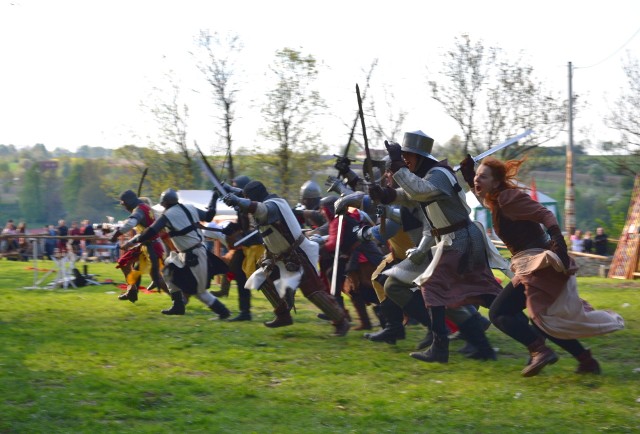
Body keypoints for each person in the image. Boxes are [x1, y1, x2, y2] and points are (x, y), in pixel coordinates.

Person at [461, 155, 624, 376]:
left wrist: (558, 240)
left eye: (483, 176)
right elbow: (484, 199)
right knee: (543, 319)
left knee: (500, 312)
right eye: (477, 175)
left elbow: (545, 213)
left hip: (538, 264)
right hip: (531, 264)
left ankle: (540, 351)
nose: (478, 180)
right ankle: (586, 361)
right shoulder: (498, 200)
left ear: (497, 182)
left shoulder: (508, 197)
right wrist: (471, 179)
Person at [371, 130, 505, 363]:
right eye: (403, 157)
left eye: (407, 157)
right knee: (395, 284)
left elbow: (419, 191)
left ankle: (448, 345)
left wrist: (396, 166)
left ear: (419, 156)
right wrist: (386, 194)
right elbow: (410, 194)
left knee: (447, 291)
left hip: (460, 240)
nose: (405, 161)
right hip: (443, 241)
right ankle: (473, 343)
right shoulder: (428, 175)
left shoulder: (439, 175)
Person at [223, 180, 350, 336]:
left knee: (313, 292)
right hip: (278, 256)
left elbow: (257, 207)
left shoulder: (273, 205)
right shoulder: (269, 202)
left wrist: (237, 200)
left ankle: (341, 321)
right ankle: (283, 315)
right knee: (261, 279)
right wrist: (228, 190)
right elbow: (247, 199)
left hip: (297, 255)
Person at [123, 188, 230, 318]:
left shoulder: (167, 215)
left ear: (164, 203)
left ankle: (223, 312)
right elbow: (209, 216)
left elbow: (151, 231)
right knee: (168, 270)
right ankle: (178, 305)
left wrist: (135, 240)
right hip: (185, 254)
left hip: (194, 255)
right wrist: (214, 198)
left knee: (200, 292)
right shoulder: (190, 207)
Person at [318, 194, 384, 330]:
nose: (321, 213)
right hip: (359, 258)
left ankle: (387, 316)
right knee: (355, 290)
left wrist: (318, 247)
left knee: (368, 289)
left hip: (364, 259)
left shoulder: (340, 220)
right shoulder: (345, 218)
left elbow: (333, 244)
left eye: (323, 209)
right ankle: (364, 321)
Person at [109, 190, 170, 302]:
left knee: (157, 278)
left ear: (129, 201)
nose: (125, 206)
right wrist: (129, 243)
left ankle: (178, 299)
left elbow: (131, 223)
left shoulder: (140, 210)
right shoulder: (144, 208)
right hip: (145, 245)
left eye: (125, 203)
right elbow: (142, 233)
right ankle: (131, 290)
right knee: (124, 262)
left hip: (152, 246)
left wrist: (116, 234)